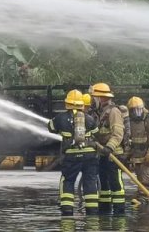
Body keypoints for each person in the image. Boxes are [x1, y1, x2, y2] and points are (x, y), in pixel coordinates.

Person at [48, 89, 101, 217]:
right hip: (89, 156)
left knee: (68, 181)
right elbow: (97, 134)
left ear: (67, 103)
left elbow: (50, 128)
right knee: (90, 181)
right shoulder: (89, 118)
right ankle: (92, 211)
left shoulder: (60, 118)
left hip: (71, 156)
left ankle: (67, 210)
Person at [90, 82, 126, 216]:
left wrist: (109, 147)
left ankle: (119, 212)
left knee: (116, 184)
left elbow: (118, 133)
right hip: (102, 154)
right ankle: (105, 210)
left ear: (101, 98)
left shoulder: (114, 111)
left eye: (94, 97)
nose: (93, 100)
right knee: (104, 185)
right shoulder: (98, 113)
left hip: (113, 155)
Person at [125, 96, 149, 197]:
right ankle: (145, 205)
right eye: (134, 110)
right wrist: (126, 156)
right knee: (141, 184)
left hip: (148, 159)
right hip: (137, 159)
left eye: (139, 110)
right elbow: (130, 141)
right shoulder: (130, 122)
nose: (137, 113)